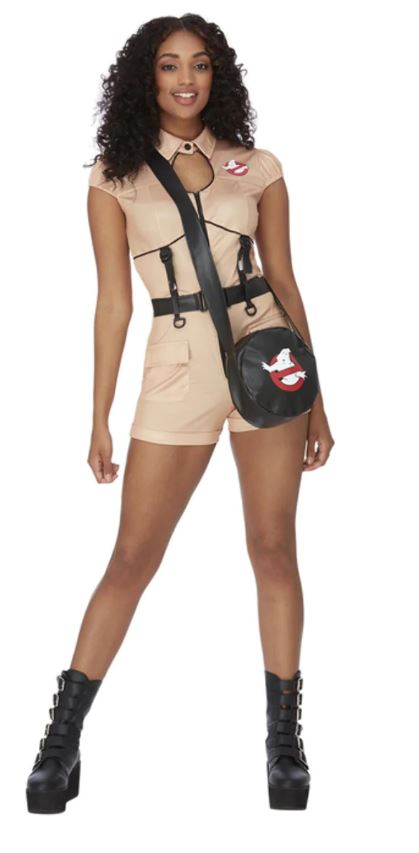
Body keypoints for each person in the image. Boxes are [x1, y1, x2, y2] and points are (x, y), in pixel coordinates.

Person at [26, 13, 335, 815]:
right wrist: (98, 415)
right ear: (147, 78)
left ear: (216, 74)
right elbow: (112, 303)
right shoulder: (114, 176)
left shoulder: (257, 166)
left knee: (272, 546)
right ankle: (61, 742)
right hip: (177, 365)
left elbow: (285, 280)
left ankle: (283, 745)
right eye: (169, 66)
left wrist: (316, 398)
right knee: (132, 556)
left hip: (266, 356)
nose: (186, 79)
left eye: (199, 64)